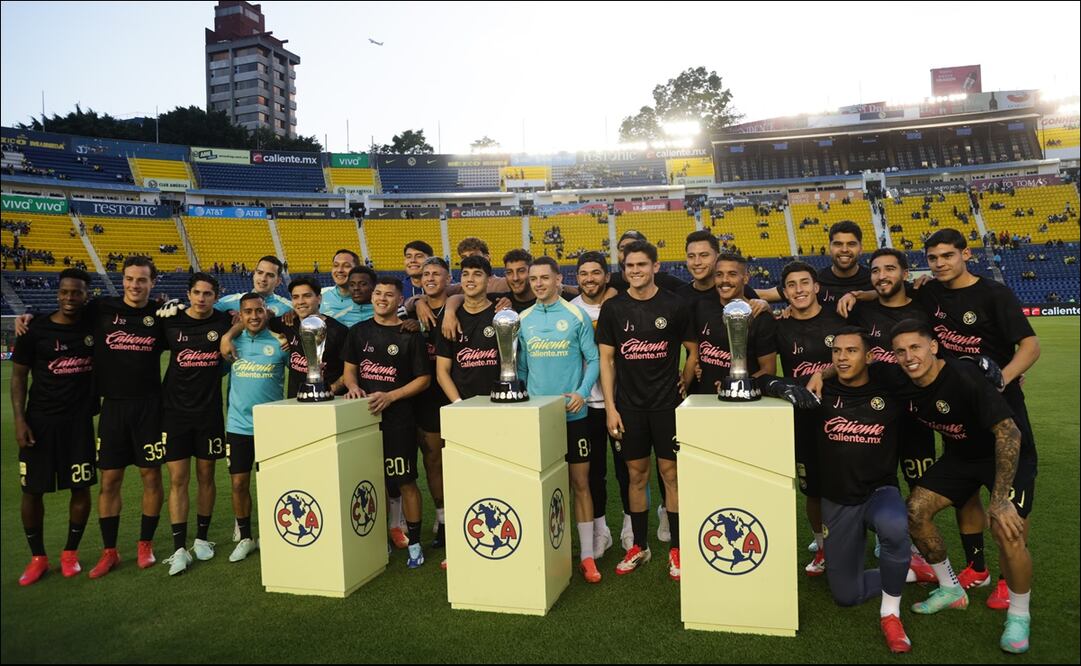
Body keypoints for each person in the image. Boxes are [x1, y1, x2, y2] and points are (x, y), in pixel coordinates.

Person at [907, 229, 1040, 605]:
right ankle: (976, 569)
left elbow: (1030, 345)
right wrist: (856, 294)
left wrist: (1004, 377)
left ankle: (1005, 578)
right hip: (960, 422)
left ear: (967, 253)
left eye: (947, 256)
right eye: (933, 258)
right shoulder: (929, 291)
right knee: (966, 497)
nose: (939, 264)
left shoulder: (994, 294)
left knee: (1009, 513)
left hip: (1002, 413)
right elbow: (889, 292)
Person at [891, 320, 1033, 654]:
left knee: (1006, 529)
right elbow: (853, 369)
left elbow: (1008, 433)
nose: (909, 356)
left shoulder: (964, 377)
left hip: (1008, 454)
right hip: (962, 457)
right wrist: (819, 376)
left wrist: (999, 500)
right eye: (900, 351)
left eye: (916, 347)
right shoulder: (900, 379)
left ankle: (1019, 614)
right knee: (915, 511)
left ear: (934, 347)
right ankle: (951, 589)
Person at [797, 328, 916, 654]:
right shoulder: (819, 390)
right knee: (845, 596)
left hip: (879, 492)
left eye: (851, 351)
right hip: (837, 500)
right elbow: (768, 383)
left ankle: (890, 614)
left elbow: (932, 380)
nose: (842, 357)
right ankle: (905, 568)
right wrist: (812, 376)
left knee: (893, 525)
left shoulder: (891, 391)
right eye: (837, 351)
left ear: (869, 356)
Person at [596, 240, 694, 580]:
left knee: (672, 476)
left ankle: (678, 549)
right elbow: (606, 361)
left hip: (668, 407)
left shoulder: (675, 305)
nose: (635, 271)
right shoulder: (614, 309)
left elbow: (693, 350)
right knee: (636, 476)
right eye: (629, 266)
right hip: (630, 408)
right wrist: (610, 408)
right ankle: (639, 545)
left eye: (641, 265)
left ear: (655, 266)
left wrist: (685, 379)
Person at [518, 257, 601, 582]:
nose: (537, 283)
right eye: (533, 278)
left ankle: (588, 556)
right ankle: (548, 549)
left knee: (580, 483)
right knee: (541, 484)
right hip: (538, 418)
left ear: (558, 280)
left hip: (573, 414)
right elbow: (521, 368)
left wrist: (581, 392)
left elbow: (592, 358)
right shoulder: (523, 319)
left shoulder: (575, 314)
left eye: (544, 278)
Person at [11, 269, 96, 584]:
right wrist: (20, 420)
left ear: (87, 295)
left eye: (76, 293)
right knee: (32, 490)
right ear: (58, 293)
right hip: (40, 422)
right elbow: (19, 377)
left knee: (80, 486)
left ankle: (70, 553)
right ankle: (38, 557)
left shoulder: (93, 327)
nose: (69, 298)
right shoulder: (35, 330)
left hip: (78, 423)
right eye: (64, 292)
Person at [343, 277, 431, 568]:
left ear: (399, 299)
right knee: (369, 481)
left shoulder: (410, 334)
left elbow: (423, 379)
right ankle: (375, 539)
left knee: (405, 481)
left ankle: (415, 543)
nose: (382, 298)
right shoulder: (358, 332)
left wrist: (391, 396)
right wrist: (353, 387)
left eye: (389, 295)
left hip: (399, 421)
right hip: (364, 422)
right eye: (378, 293)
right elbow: (350, 372)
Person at [773, 261, 846, 576]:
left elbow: (856, 359)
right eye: (792, 285)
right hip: (802, 417)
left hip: (842, 413)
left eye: (805, 283)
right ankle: (823, 546)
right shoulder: (780, 325)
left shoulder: (838, 320)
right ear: (785, 292)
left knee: (843, 484)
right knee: (812, 488)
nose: (799, 289)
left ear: (817, 287)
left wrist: (822, 372)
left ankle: (849, 540)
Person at [159, 273, 233, 575]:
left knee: (206, 476)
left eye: (207, 294)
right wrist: (159, 307)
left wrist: (232, 329)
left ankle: (202, 539)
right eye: (197, 293)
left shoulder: (222, 322)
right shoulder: (171, 321)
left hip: (209, 412)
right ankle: (178, 548)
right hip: (174, 413)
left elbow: (246, 321)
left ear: (216, 296)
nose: (201, 298)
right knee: (178, 479)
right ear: (188, 294)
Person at [222, 293, 288, 563]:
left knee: (272, 483)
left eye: (258, 310)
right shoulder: (232, 343)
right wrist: (227, 335)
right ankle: (246, 537)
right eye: (247, 311)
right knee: (239, 483)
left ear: (266, 312)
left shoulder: (280, 343)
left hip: (271, 426)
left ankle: (272, 533)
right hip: (238, 426)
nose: (254, 316)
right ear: (240, 315)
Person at [569, 252, 620, 555]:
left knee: (628, 469)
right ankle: (601, 530)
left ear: (607, 276)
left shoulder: (619, 303)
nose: (590, 278)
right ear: (576, 278)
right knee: (593, 472)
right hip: (586, 403)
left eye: (596, 272)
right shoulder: (570, 310)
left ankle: (631, 527)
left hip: (619, 399)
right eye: (584, 273)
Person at [683, 254, 777, 395]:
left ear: (745, 278)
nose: (724, 280)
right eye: (719, 275)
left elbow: (769, 370)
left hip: (744, 401)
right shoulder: (701, 307)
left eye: (732, 274)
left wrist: (735, 386)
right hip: (705, 400)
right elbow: (694, 349)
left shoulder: (760, 317)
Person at [411, 257, 452, 551]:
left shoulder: (460, 306)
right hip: (425, 394)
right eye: (426, 274)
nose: (430, 278)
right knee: (433, 459)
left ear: (448, 279)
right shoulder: (410, 311)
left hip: (456, 390)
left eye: (436, 274)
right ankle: (443, 520)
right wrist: (415, 305)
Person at [759, 221, 871, 306]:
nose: (844, 249)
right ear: (829, 248)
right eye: (838, 244)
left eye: (851, 244)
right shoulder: (815, 280)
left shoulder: (874, 280)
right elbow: (765, 295)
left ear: (861, 248)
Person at [214, 255, 292, 317]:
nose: (263, 279)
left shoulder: (288, 307)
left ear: (278, 281)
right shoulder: (228, 302)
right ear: (254, 275)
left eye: (270, 275)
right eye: (260, 273)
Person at [320, 249, 371, 327]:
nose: (340, 270)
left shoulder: (374, 299)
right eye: (336, 265)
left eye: (346, 266)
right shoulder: (320, 294)